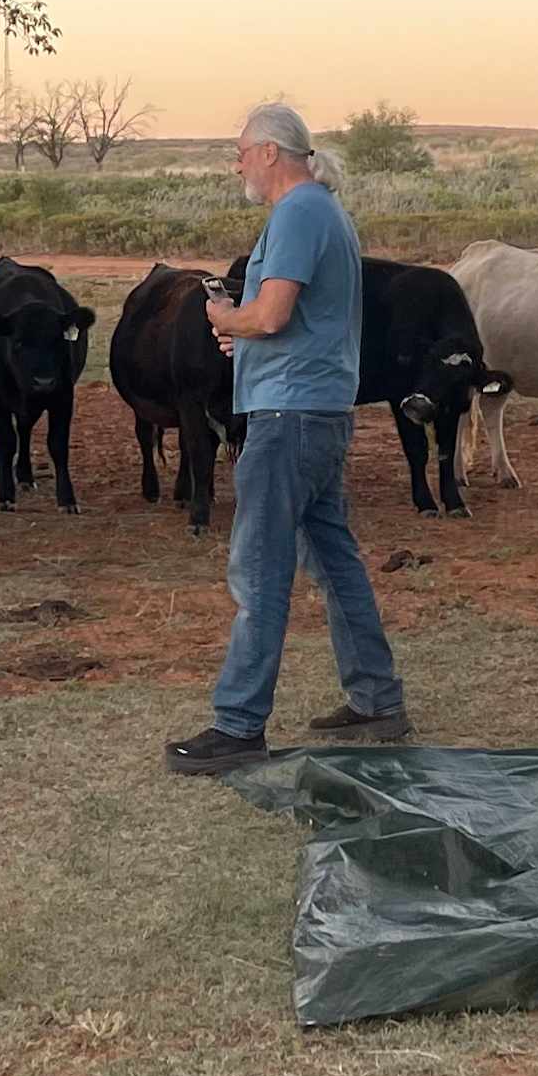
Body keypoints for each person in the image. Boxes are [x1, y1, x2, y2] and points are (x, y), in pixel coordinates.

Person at [166, 103, 413, 776]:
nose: (237, 163)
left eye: (241, 151)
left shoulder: (299, 213)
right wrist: (239, 327)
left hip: (288, 417)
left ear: (271, 152)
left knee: (260, 567)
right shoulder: (323, 211)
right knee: (333, 559)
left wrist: (225, 315)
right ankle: (377, 699)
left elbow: (272, 315)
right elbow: (282, 318)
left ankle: (239, 724)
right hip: (318, 410)